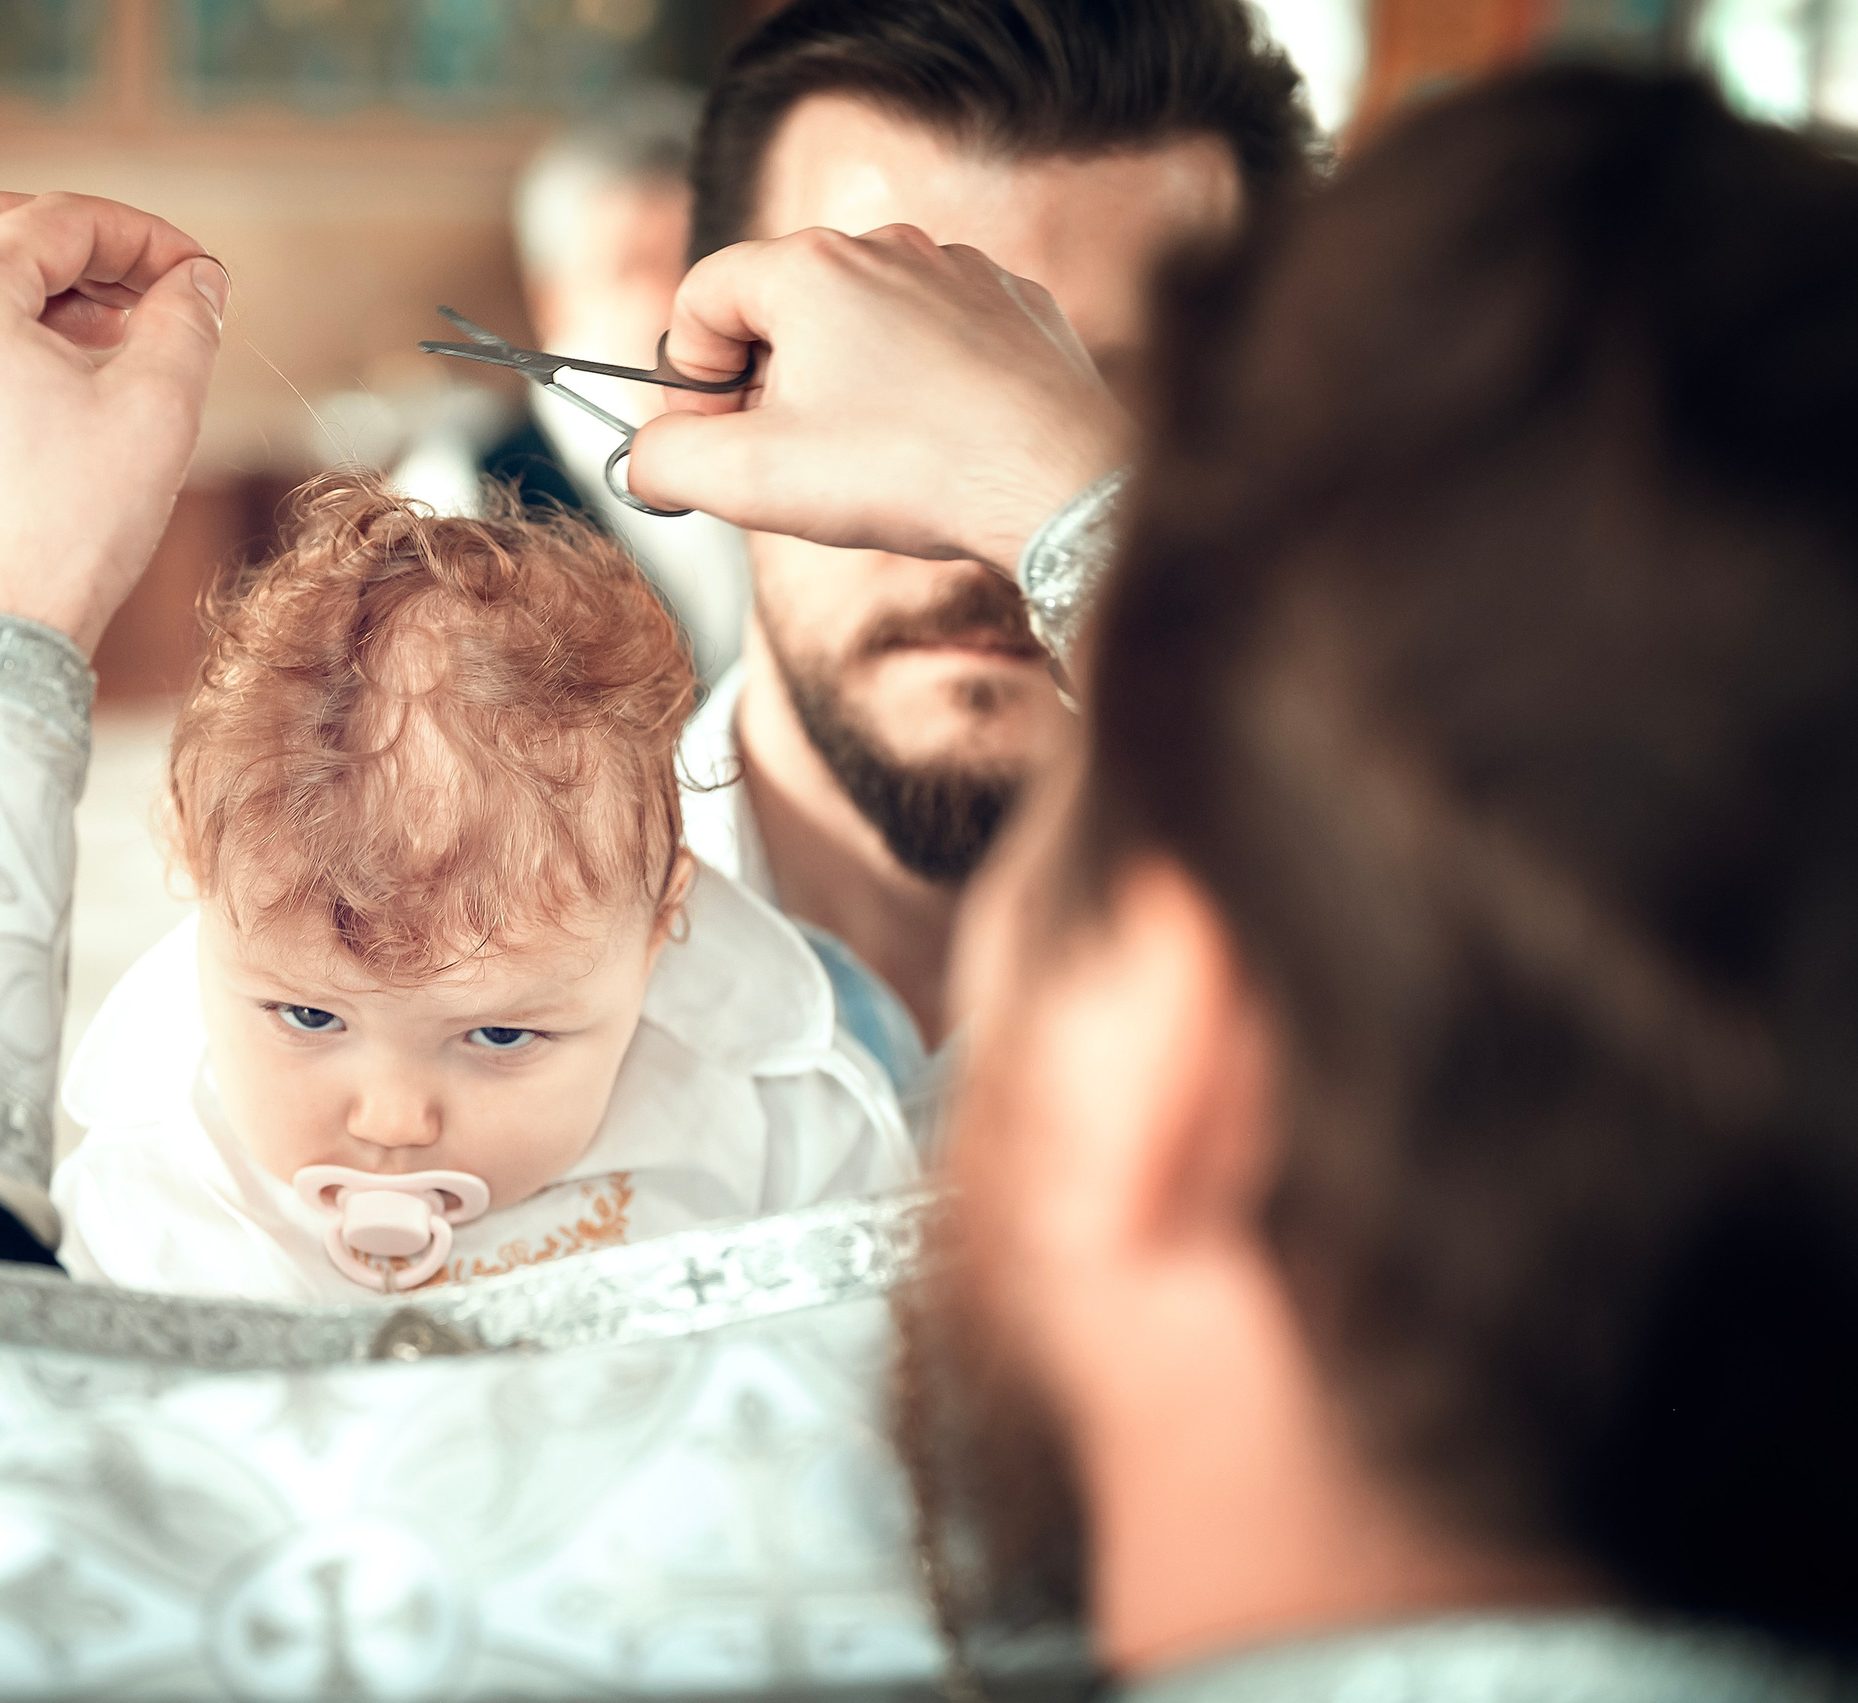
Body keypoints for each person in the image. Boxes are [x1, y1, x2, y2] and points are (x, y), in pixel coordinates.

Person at [640, 66, 1858, 1695]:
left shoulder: (1416, 942)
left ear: (1187, 1065)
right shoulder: (372, 982)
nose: (946, 537)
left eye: (1083, 412)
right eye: (872, 399)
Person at [671, 0, 1320, 1124]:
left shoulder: (1356, 984)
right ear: (707, 386)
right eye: (892, 387)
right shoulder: (414, 961)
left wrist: (1076, 510)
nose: (968, 528)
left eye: (1112, 404)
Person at [50, 478, 911, 1300]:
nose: (393, 1119)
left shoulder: (774, 1129)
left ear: (660, 928)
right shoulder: (146, 1193)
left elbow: (873, 1373)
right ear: (198, 873)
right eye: (310, 1017)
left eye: (500, 1033)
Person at [391, 89, 753, 683]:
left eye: (699, 254)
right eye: (635, 266)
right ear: (551, 299)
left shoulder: (778, 457)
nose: (679, 294)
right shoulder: (452, 495)